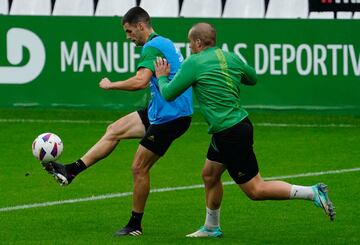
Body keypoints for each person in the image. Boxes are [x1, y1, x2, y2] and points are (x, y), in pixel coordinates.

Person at [154, 22, 336, 238]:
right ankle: (211, 227)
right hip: (234, 127)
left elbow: (168, 94)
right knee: (210, 175)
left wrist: (162, 76)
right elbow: (252, 78)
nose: (189, 47)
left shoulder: (194, 62)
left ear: (198, 42)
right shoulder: (230, 57)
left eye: (190, 43)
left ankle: (312, 192)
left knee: (255, 190)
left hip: (230, 131)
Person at [44, 7, 193, 236]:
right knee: (114, 130)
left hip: (171, 117)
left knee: (138, 167)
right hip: (161, 110)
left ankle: (135, 225)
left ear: (141, 26)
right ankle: (72, 170)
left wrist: (110, 85)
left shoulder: (152, 47)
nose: (128, 36)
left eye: (129, 31)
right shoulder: (162, 42)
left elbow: (140, 81)